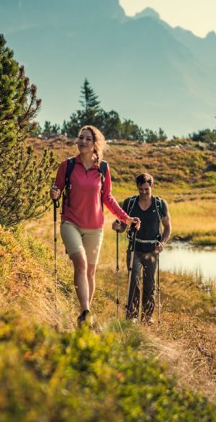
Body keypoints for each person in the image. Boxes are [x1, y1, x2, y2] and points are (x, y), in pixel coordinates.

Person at [50, 125, 140, 327]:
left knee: (90, 272)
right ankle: (85, 311)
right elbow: (56, 189)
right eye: (80, 137)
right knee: (80, 263)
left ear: (95, 144)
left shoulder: (103, 169)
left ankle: (86, 317)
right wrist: (54, 193)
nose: (82, 141)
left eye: (87, 139)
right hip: (70, 223)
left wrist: (126, 218)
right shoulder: (68, 166)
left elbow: (107, 197)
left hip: (95, 227)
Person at [113, 173, 171, 325]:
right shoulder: (130, 203)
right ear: (137, 188)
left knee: (150, 284)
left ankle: (147, 317)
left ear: (152, 186)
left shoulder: (160, 204)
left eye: (147, 189)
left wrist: (162, 243)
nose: (144, 192)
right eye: (141, 189)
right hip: (134, 248)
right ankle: (132, 316)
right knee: (134, 280)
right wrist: (118, 227)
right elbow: (123, 227)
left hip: (152, 250)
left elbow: (167, 228)